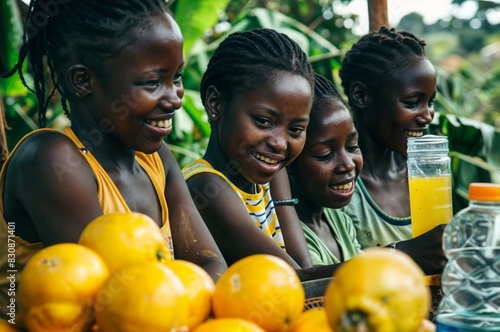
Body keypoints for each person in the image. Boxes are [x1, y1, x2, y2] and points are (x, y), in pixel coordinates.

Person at [0, 0, 227, 320]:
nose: (175, 97)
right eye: (152, 82)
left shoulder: (156, 159)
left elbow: (210, 262)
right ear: (83, 81)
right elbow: (109, 306)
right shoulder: (51, 162)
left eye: (175, 77)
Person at [182, 28, 338, 281]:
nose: (279, 143)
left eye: (296, 129)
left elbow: (302, 264)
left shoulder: (269, 173)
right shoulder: (205, 187)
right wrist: (396, 258)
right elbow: (296, 278)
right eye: (264, 121)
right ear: (215, 103)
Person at [339, 27, 446, 275]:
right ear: (360, 95)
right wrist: (405, 253)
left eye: (430, 102)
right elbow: (335, 272)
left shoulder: (427, 174)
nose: (428, 115)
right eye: (411, 103)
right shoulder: (341, 184)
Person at [287, 73, 363, 266]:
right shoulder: (285, 235)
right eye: (325, 154)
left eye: (352, 146)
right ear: (286, 160)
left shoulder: (340, 221)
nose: (348, 164)